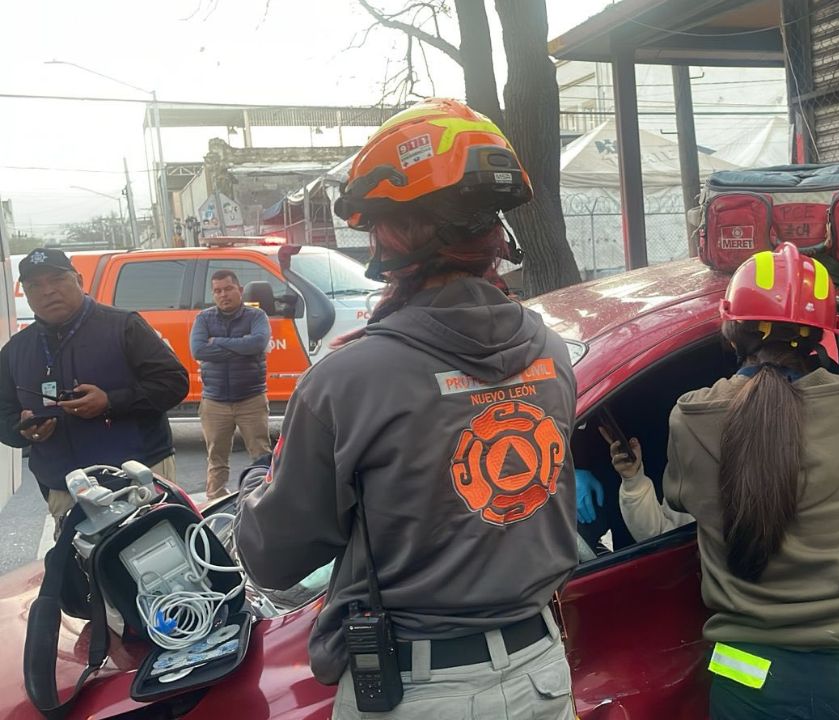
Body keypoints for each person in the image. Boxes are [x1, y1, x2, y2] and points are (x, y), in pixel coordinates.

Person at [234, 98, 579, 720]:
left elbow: (274, 558)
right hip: (542, 676)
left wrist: (259, 482)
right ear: (494, 233)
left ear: (395, 234)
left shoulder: (349, 379)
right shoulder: (551, 352)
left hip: (418, 690)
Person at [610, 244, 839, 719]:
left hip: (753, 678)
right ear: (821, 335)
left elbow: (675, 508)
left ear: (732, 332)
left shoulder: (692, 418)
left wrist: (633, 481)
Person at [0, 247, 188, 525]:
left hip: (139, 475)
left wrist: (110, 402)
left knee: (160, 558)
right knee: (83, 565)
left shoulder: (124, 326)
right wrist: (25, 430)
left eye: (57, 279)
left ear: (79, 280)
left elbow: (174, 383)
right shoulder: (15, 351)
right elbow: (5, 418)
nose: (47, 291)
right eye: (35, 285)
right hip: (65, 486)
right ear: (26, 295)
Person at [190, 269, 272, 500]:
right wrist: (240, 348)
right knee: (216, 458)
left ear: (240, 290)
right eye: (217, 291)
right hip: (214, 402)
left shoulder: (256, 317)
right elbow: (198, 350)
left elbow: (257, 344)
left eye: (228, 289)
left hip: (251, 399)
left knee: (261, 455)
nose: (223, 295)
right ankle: (215, 501)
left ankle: (266, 499)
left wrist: (217, 343)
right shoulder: (203, 318)